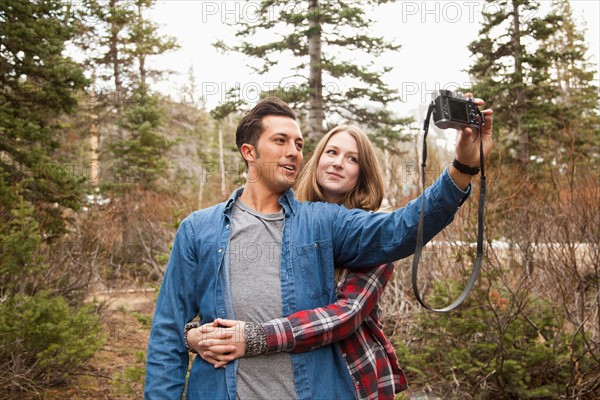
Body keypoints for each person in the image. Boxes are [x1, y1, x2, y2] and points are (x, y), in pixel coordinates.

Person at [144, 96, 493, 400]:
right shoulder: (198, 229)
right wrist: (191, 335)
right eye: (280, 140)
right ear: (248, 152)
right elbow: (167, 333)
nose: (294, 152)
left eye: (298, 144)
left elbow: (399, 230)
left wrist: (462, 167)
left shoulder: (324, 221)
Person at [186, 124, 408, 399]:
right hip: (285, 375)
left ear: (363, 173)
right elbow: (256, 296)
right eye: (332, 152)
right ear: (317, 160)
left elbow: (344, 315)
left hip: (349, 374)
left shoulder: (372, 234)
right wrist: (196, 334)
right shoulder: (285, 217)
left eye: (352, 159)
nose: (338, 163)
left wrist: (255, 337)